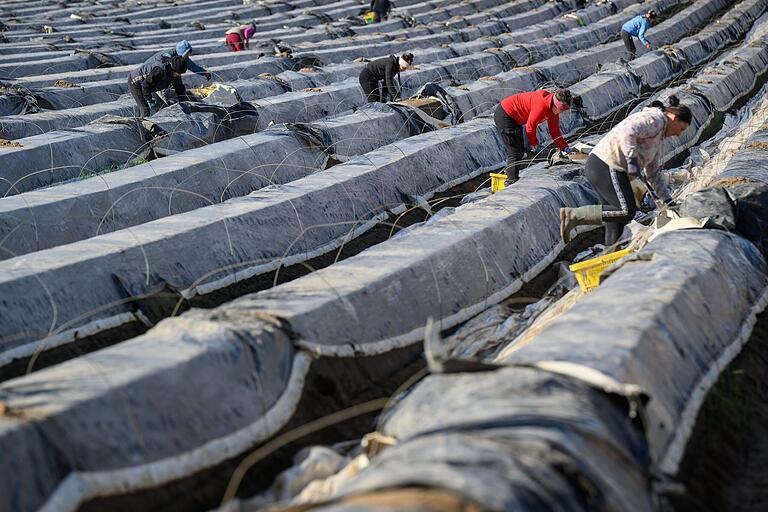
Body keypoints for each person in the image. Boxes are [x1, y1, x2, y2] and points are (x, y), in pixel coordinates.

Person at [559, 95, 692, 246]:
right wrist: (633, 162)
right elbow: (628, 132)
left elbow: (652, 173)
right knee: (625, 210)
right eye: (681, 128)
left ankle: (610, 256)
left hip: (607, 167)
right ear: (674, 118)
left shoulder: (659, 138)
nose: (679, 134)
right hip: (606, 164)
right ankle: (574, 216)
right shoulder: (656, 120)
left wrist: (668, 201)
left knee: (617, 221)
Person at [493, 88, 574, 184]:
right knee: (515, 152)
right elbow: (530, 127)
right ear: (556, 105)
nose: (561, 113)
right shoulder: (541, 106)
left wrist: (564, 147)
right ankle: (511, 181)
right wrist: (534, 143)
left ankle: (509, 174)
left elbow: (554, 131)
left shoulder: (553, 108)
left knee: (520, 152)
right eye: (561, 110)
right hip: (505, 115)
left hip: (515, 118)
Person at [146, 40, 211, 80]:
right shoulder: (168, 56)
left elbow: (191, 66)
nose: (190, 55)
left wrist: (204, 72)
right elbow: (162, 70)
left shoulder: (181, 58)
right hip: (149, 73)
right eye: (188, 53)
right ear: (183, 52)